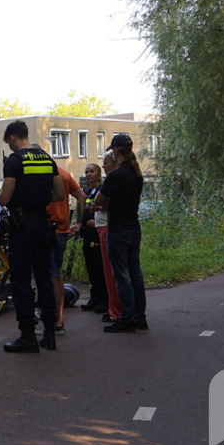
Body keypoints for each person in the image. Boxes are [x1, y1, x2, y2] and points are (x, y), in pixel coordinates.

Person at [0, 121, 65, 353]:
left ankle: (27, 336)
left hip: (22, 227)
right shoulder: (47, 159)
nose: (10, 146)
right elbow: (59, 193)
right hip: (43, 225)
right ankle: (49, 331)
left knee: (21, 282)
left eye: (9, 142)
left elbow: (5, 198)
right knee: (44, 278)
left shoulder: (14, 161)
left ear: (13, 138)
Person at [94, 134, 147, 332]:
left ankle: (126, 319)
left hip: (117, 229)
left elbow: (99, 200)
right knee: (135, 274)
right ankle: (139, 317)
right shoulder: (136, 173)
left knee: (122, 276)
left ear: (116, 151)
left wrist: (93, 206)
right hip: (134, 226)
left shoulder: (115, 175)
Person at [47, 162, 87, 340]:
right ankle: (59, 316)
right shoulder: (63, 174)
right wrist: (78, 222)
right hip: (62, 229)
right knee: (56, 272)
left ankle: (54, 318)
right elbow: (81, 196)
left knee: (49, 275)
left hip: (45, 228)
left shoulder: (40, 175)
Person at [93, 153, 122, 322]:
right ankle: (118, 308)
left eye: (105, 163)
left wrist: (96, 206)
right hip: (109, 226)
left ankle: (115, 310)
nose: (103, 167)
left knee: (111, 271)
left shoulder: (112, 180)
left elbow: (102, 201)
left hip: (108, 226)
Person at [78, 163, 109, 313]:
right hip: (87, 234)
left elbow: (108, 209)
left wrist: (96, 222)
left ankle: (104, 299)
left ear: (99, 174)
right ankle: (94, 297)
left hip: (99, 233)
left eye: (92, 171)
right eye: (86, 172)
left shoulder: (103, 190)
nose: (89, 174)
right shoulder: (88, 192)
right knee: (91, 268)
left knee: (100, 268)